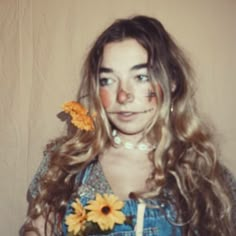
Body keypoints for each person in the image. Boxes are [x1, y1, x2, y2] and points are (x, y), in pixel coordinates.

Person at [20, 15, 235, 236]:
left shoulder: (204, 172)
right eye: (108, 80)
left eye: (141, 77)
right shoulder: (67, 163)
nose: (122, 96)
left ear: (171, 82)